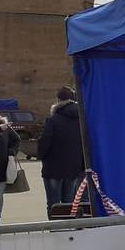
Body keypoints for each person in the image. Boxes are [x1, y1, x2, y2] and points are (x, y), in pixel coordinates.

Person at [39, 86, 85, 214]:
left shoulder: (53, 120)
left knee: (53, 203)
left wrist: (42, 156)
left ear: (58, 100)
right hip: (73, 167)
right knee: (69, 201)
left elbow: (44, 143)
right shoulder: (81, 119)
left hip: (53, 168)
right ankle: (67, 227)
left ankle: (56, 229)